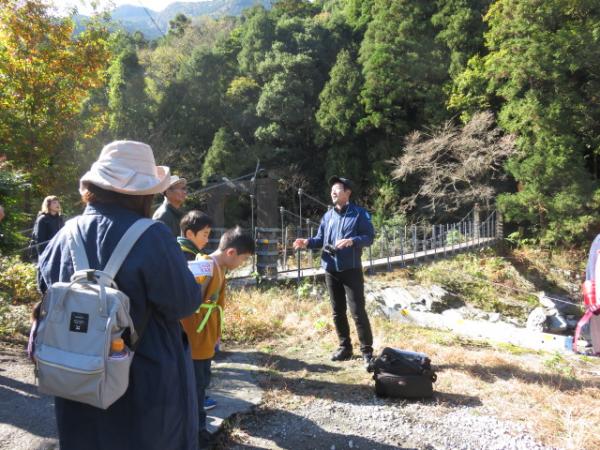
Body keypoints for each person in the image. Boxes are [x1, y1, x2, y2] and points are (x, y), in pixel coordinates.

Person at [36, 140, 202, 450]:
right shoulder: (153, 236)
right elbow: (185, 301)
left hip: (78, 377)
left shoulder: (63, 234)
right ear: (144, 193)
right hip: (145, 384)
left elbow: (44, 288)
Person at [181, 226, 255, 449]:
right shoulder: (205, 265)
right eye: (243, 260)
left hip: (205, 338)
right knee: (195, 388)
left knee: (201, 386)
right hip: (194, 340)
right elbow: (187, 299)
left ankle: (198, 431)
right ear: (231, 252)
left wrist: (216, 335)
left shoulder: (218, 268)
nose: (241, 264)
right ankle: (196, 434)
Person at [293, 176, 375, 365]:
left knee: (357, 311)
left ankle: (366, 351)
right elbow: (320, 239)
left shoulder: (359, 214)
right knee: (337, 311)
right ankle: (344, 347)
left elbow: (369, 237)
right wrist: (307, 242)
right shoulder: (328, 216)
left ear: (348, 193)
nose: (333, 192)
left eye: (337, 189)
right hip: (330, 268)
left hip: (351, 269)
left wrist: (352, 241)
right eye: (332, 190)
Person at [177, 210, 218, 412]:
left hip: (181, 325)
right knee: (194, 376)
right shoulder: (187, 256)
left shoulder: (177, 250)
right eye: (204, 234)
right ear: (189, 234)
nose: (207, 239)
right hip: (187, 326)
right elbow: (192, 294)